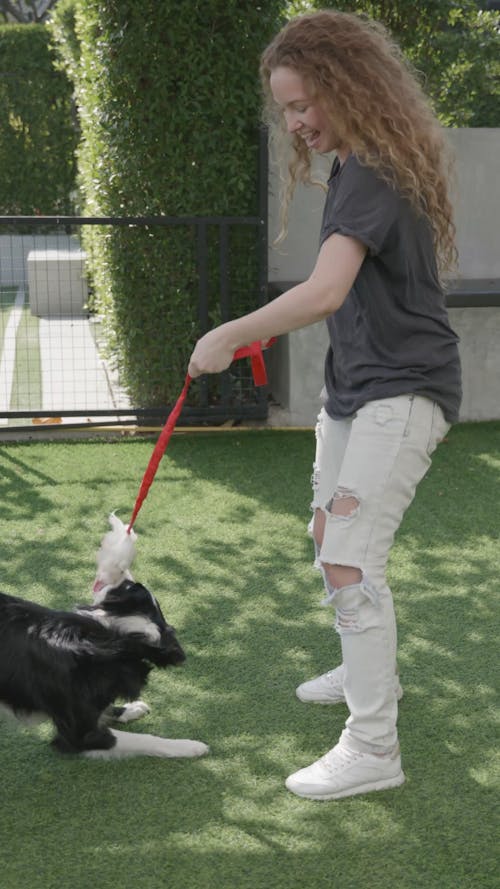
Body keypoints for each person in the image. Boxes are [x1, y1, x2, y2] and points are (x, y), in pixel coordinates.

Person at [188, 10, 462, 801]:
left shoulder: (373, 168)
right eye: (287, 107)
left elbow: (326, 291)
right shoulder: (356, 163)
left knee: (349, 558)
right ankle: (361, 669)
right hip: (357, 389)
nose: (298, 120)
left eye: (308, 101)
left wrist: (230, 335)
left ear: (351, 87)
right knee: (327, 537)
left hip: (403, 391)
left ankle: (374, 745)